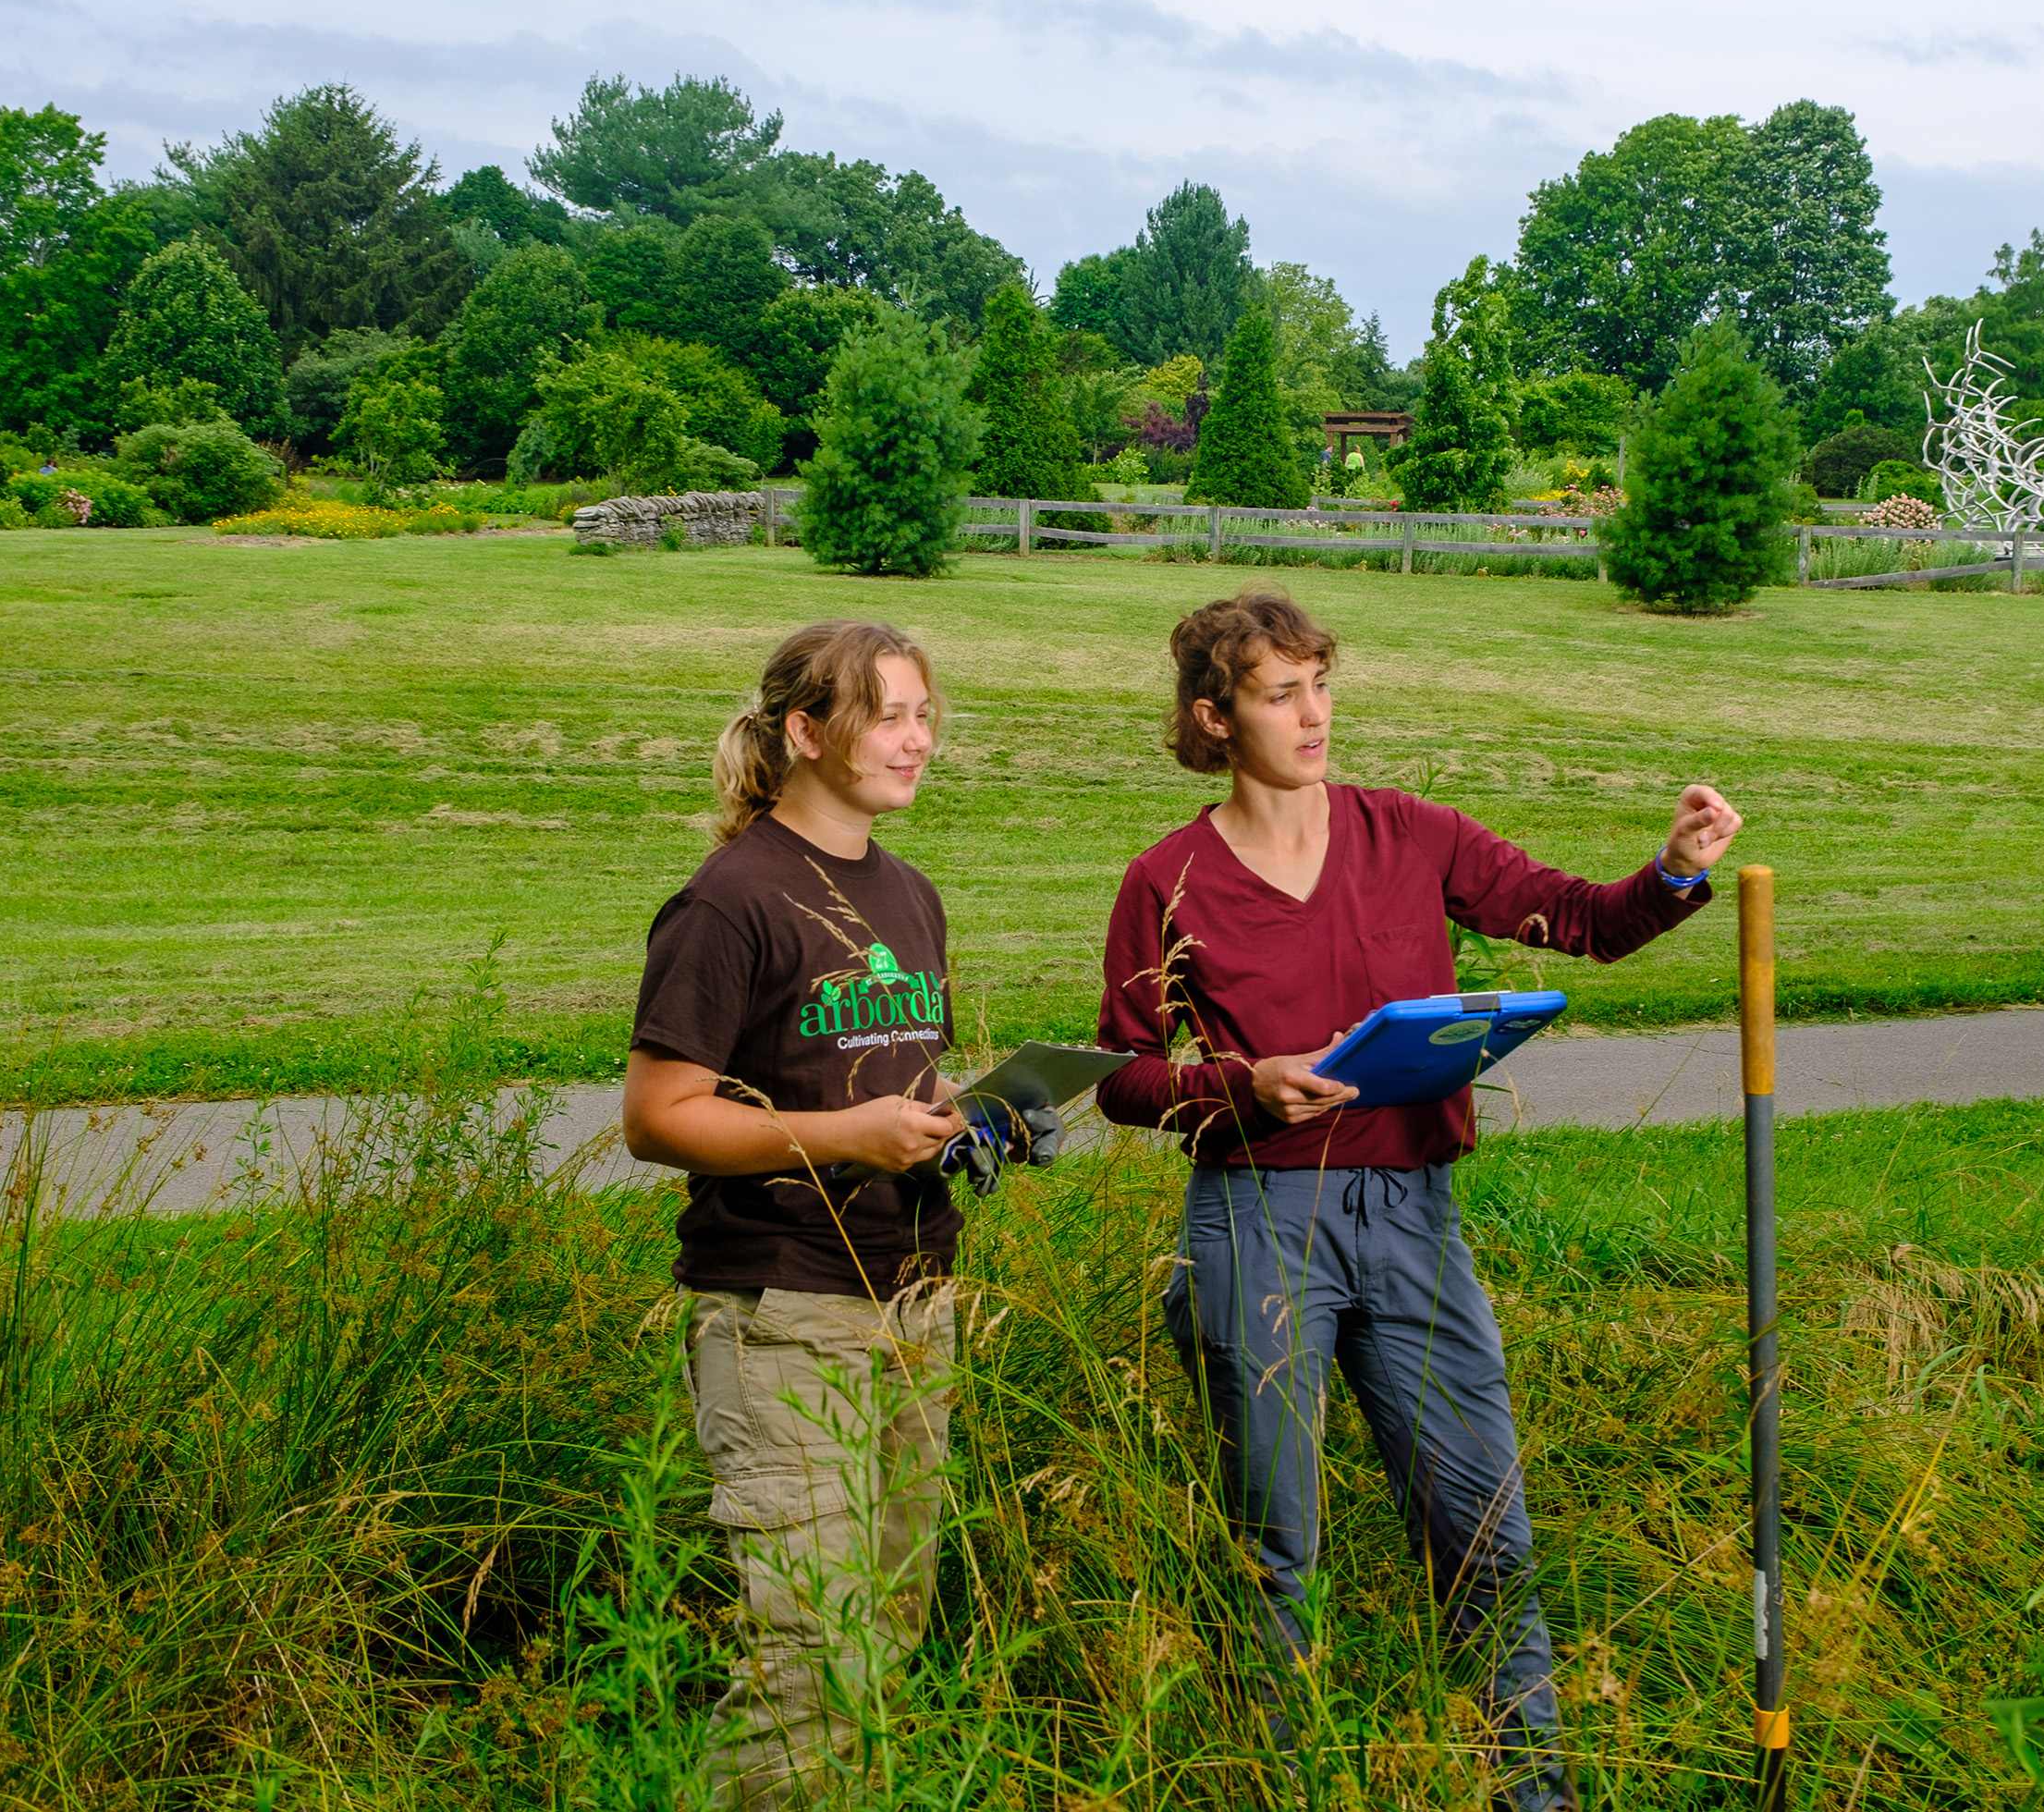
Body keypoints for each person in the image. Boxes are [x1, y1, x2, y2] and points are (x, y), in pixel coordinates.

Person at [1094, 593, 1743, 1811]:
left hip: (1411, 1214)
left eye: (1321, 683)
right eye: (1280, 693)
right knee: (1277, 1546)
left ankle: (1526, 1791)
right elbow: (1125, 1076)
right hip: (1256, 1219)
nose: (1313, 713)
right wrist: (1244, 1086)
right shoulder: (1166, 879)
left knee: (1482, 1524)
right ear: (1213, 716)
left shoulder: (1412, 835)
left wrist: (1671, 871)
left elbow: (1584, 923)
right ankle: (1284, 1783)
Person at [620, 619, 1048, 1811]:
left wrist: (974, 1119)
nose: (919, 742)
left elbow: (887, 1084)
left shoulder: (908, 895)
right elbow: (658, 1117)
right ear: (806, 732)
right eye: (890, 717)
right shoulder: (729, 901)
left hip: (913, 1297)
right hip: (782, 1311)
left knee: (889, 1629)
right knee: (808, 1654)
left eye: (926, 716)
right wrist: (844, 1138)